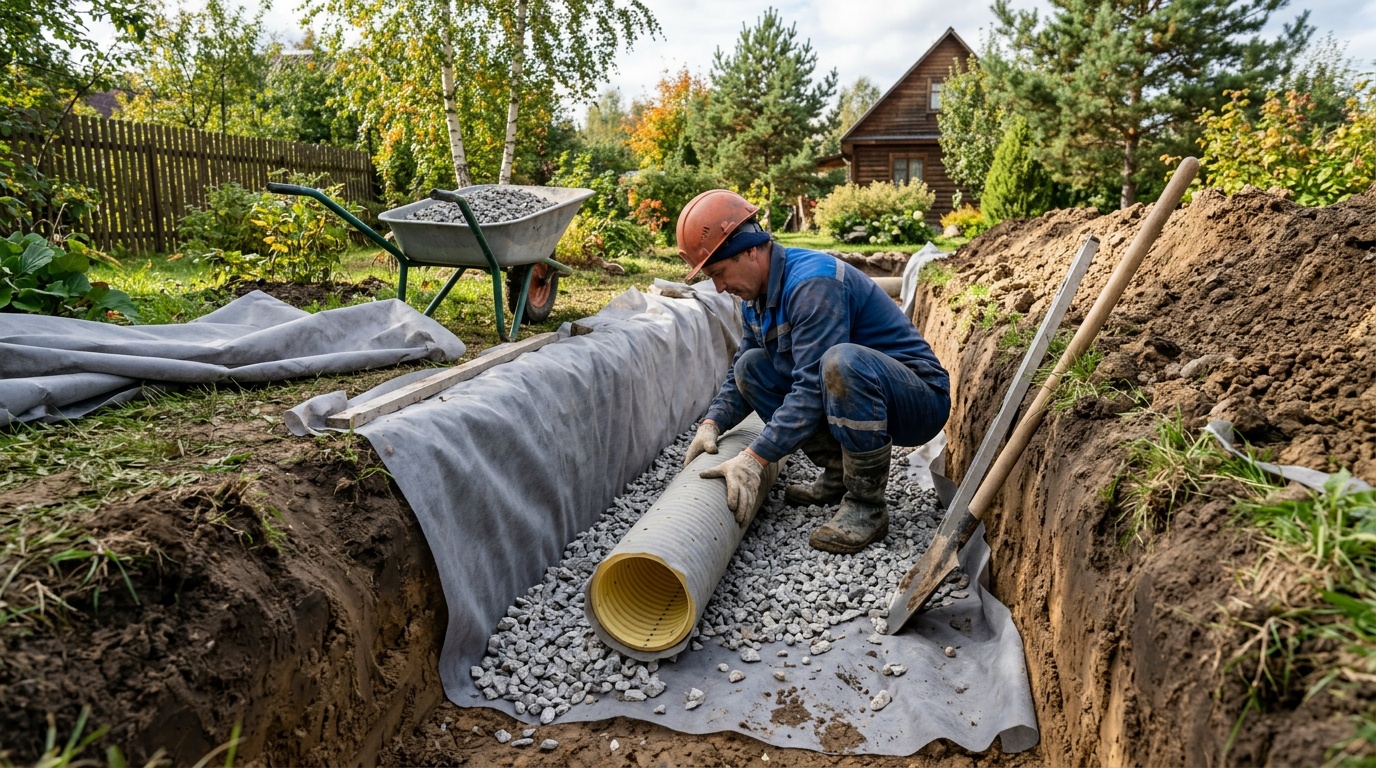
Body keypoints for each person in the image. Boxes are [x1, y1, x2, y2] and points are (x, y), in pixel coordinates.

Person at [678, 189, 950, 554]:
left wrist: (752, 460)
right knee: (751, 367)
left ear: (750, 250)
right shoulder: (756, 299)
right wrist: (712, 424)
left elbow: (808, 390)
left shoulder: (812, 285)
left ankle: (867, 508)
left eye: (719, 273)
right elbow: (741, 369)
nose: (720, 287)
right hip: (862, 393)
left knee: (841, 362)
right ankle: (840, 475)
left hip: (917, 399)